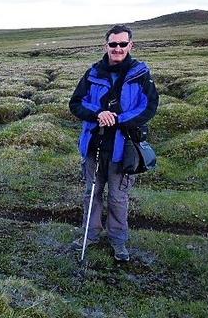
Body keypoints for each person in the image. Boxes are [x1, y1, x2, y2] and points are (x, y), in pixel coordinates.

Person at [68, 24, 159, 261]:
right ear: (105, 45)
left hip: (123, 148)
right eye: (113, 44)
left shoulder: (141, 74)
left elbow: (148, 107)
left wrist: (119, 119)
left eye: (122, 44)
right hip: (94, 147)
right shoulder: (92, 73)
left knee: (118, 198)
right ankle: (89, 235)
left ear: (131, 45)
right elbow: (76, 103)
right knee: (92, 193)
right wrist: (98, 113)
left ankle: (119, 241)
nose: (117, 48)